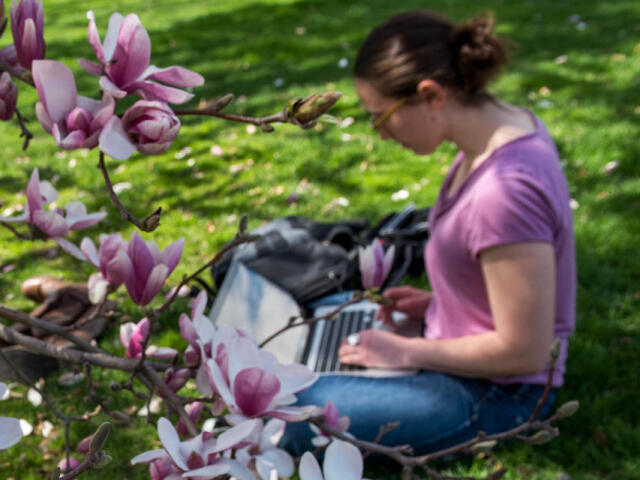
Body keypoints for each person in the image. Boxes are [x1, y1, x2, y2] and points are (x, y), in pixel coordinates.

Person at [280, 9, 576, 455]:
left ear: (431, 95)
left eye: (381, 117)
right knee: (323, 309)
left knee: (291, 411)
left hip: (497, 395)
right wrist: (442, 307)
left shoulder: (505, 190)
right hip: (456, 350)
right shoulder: (501, 134)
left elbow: (527, 352)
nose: (379, 134)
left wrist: (405, 353)